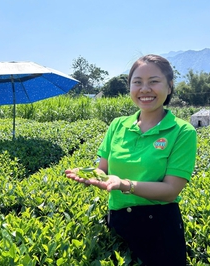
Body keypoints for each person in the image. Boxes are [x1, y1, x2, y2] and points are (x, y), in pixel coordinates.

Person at [65, 54, 197, 265]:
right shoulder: (117, 125)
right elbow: (103, 170)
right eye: (137, 82)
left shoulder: (182, 131)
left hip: (160, 225)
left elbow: (171, 190)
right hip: (118, 221)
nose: (144, 89)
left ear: (170, 86)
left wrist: (125, 185)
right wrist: (92, 175)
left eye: (154, 81)